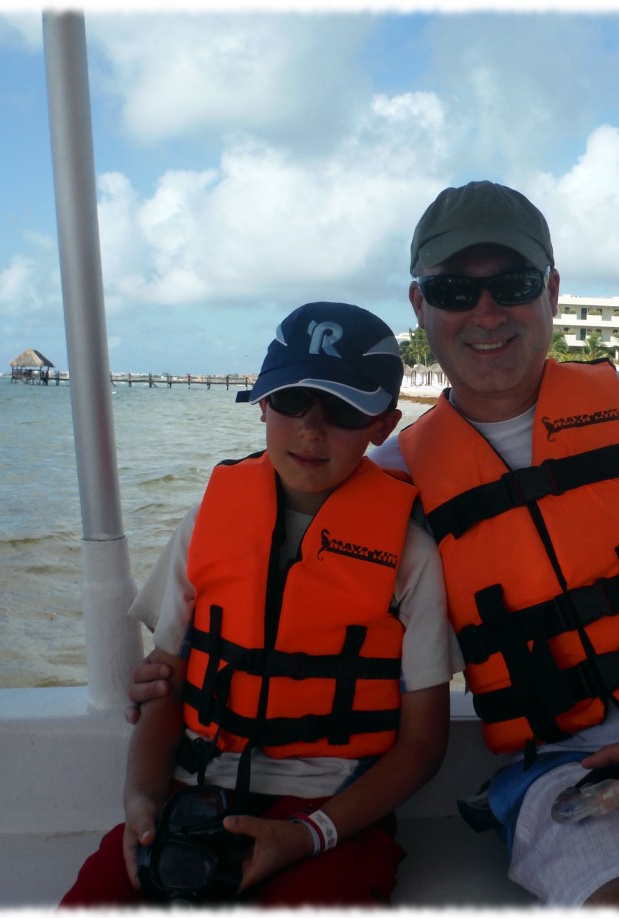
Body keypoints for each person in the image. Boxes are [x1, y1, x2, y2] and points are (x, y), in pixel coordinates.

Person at [128, 183, 619, 907]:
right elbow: (277, 586)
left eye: (512, 285)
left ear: (550, 291)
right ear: (421, 304)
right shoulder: (393, 475)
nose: (486, 313)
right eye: (455, 290)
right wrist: (174, 669)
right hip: (562, 771)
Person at [63, 302, 452, 907]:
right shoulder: (209, 518)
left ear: (383, 424)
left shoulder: (412, 555)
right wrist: (141, 797)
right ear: (263, 403)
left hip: (333, 813)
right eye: (292, 400)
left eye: (344, 408)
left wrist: (308, 835)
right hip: (195, 792)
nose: (311, 428)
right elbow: (166, 684)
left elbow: (423, 744)